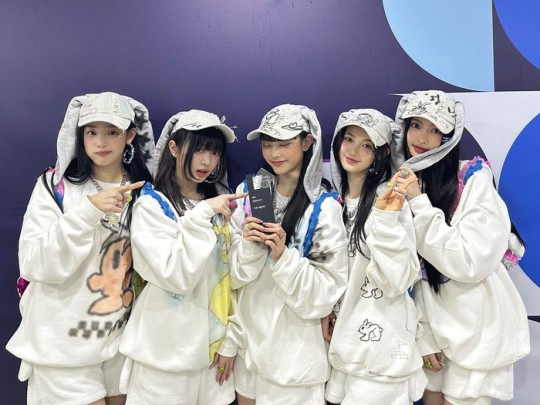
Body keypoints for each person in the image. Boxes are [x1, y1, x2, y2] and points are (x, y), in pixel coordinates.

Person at [6, 91, 155, 405]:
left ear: (130, 135)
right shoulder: (55, 186)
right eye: (91, 132)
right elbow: (33, 263)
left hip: (119, 344)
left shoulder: (145, 192)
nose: (100, 141)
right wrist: (88, 211)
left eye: (112, 132)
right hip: (61, 347)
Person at [393, 90, 530, 405]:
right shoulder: (400, 183)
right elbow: (409, 273)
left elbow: (469, 262)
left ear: (449, 135)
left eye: (434, 129)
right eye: (416, 125)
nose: (422, 137)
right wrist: (424, 335)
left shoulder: (471, 179)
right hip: (432, 326)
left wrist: (419, 202)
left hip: (477, 330)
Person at [118, 109, 246, 405]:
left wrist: (231, 339)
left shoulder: (220, 202)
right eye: (199, 149)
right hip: (162, 355)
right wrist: (202, 214)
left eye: (214, 152)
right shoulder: (152, 205)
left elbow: (232, 278)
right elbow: (175, 274)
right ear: (173, 148)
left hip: (212, 354)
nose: (207, 161)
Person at [228, 104, 349, 405]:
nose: (274, 153)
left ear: (307, 143)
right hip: (248, 349)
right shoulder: (250, 192)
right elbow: (229, 276)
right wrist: (249, 246)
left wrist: (283, 256)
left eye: (284, 143)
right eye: (267, 143)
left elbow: (326, 292)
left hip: (296, 357)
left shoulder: (324, 206)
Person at [324, 108, 427, 405]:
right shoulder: (332, 203)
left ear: (381, 154)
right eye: (349, 139)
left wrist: (385, 218)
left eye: (366, 145)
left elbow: (398, 280)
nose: (353, 151)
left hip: (381, 355)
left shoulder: (390, 200)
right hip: (345, 351)